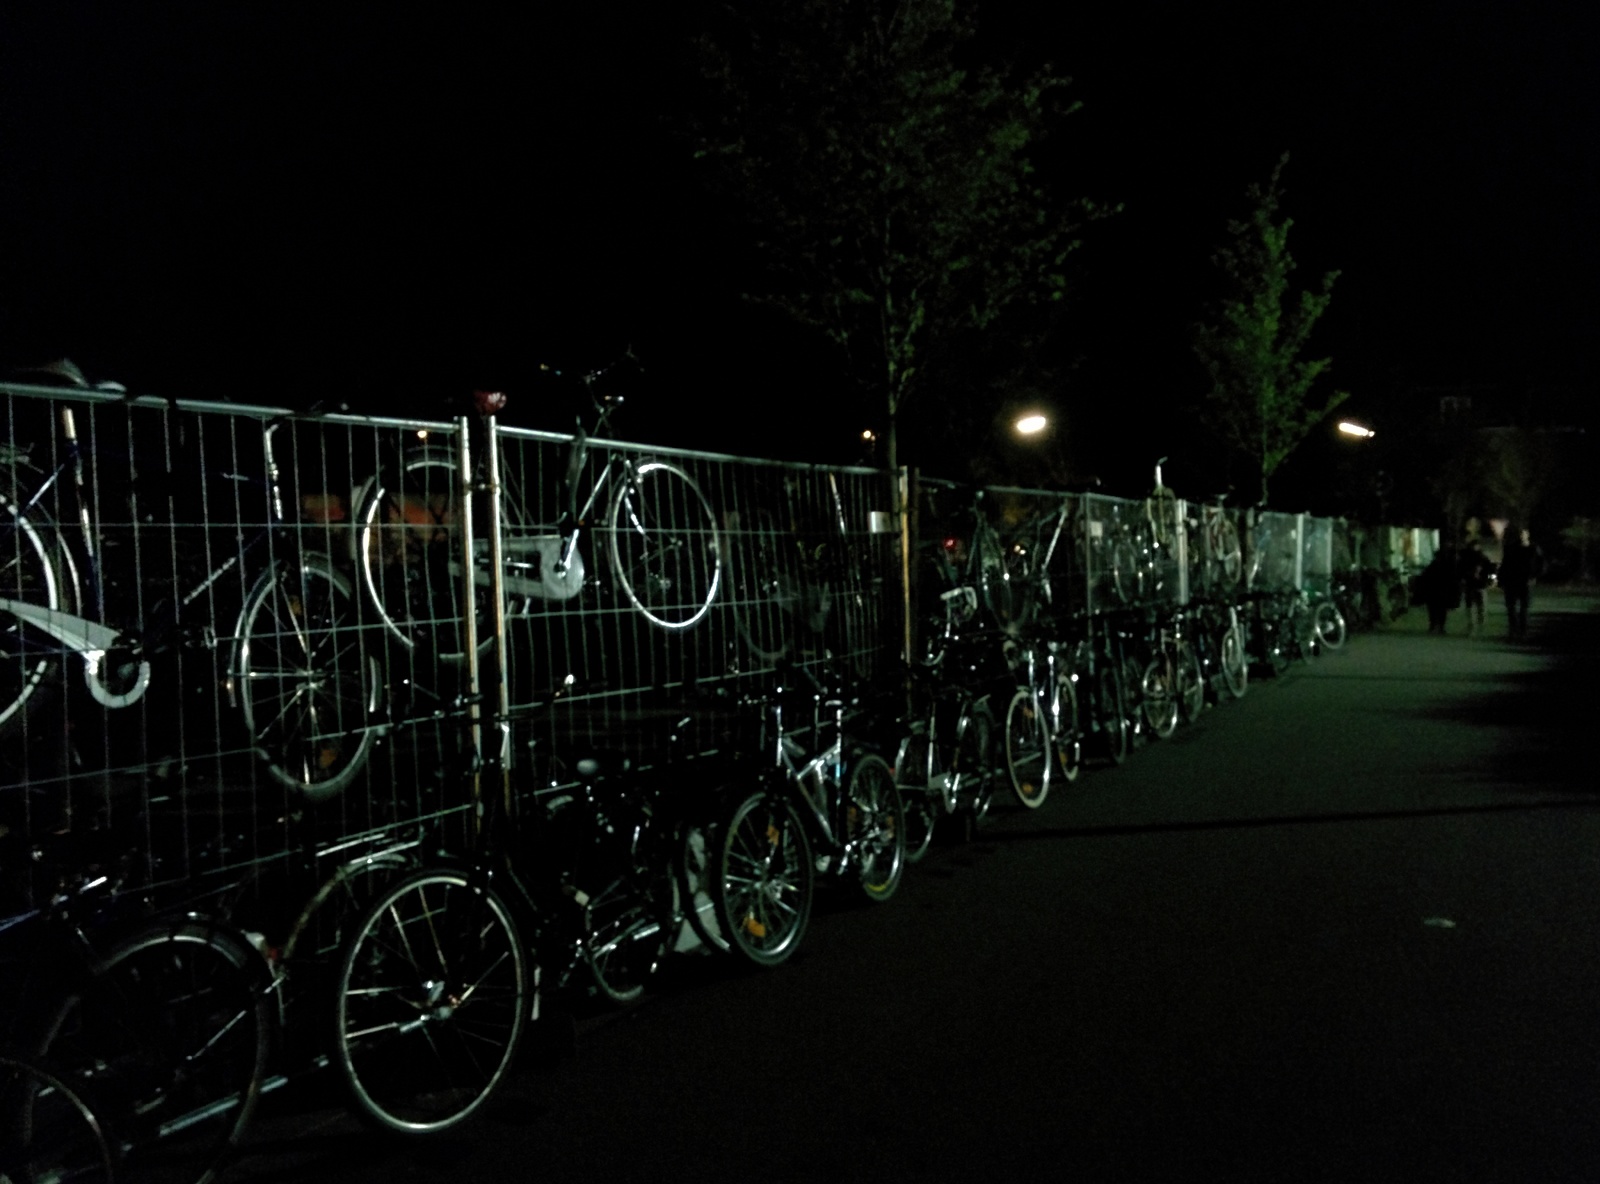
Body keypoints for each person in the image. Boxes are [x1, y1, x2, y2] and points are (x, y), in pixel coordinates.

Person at [1498, 525, 1534, 638]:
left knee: (1523, 609)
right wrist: (1501, 580)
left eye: (1523, 534)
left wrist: (1533, 577)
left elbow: (1540, 564)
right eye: (1520, 534)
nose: (1521, 536)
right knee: (1511, 608)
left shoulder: (1533, 549)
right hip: (1512, 582)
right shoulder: (1511, 549)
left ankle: (1522, 631)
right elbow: (1505, 565)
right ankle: (1513, 630)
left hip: (1525, 582)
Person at [1419, 548, 1459, 634]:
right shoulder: (1447, 566)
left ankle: (1434, 626)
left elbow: (1425, 578)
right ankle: (1440, 627)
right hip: (1442, 592)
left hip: (1434, 592)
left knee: (1433, 610)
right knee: (1441, 611)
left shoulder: (1433, 566)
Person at [1457, 538, 1493, 636]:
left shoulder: (1482, 558)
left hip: (1478, 584)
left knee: (1478, 606)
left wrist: (1490, 580)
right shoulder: (1467, 558)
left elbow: (1491, 570)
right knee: (1474, 606)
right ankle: (1474, 626)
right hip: (1473, 584)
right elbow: (1460, 570)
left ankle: (1477, 625)